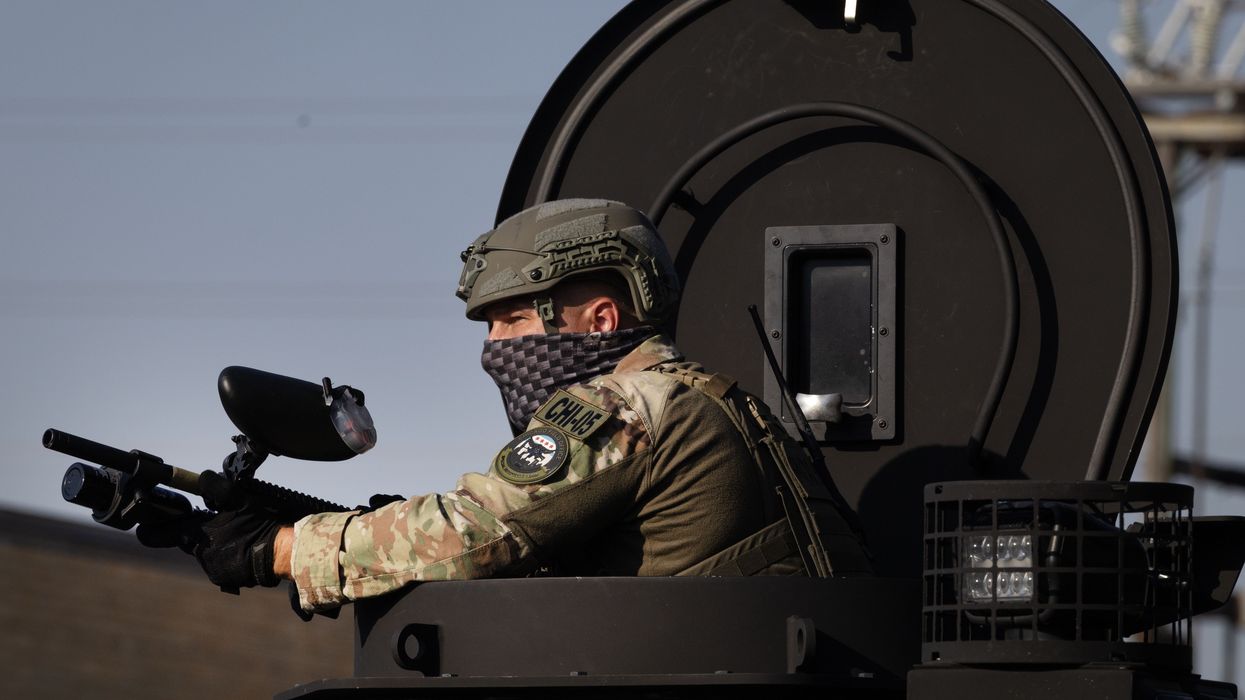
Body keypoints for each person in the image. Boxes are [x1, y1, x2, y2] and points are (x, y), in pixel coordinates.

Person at [141, 199, 871, 612]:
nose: (495, 348)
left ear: (600, 320)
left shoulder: (627, 404)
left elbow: (478, 529)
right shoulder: (709, 398)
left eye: (514, 321)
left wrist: (286, 549)